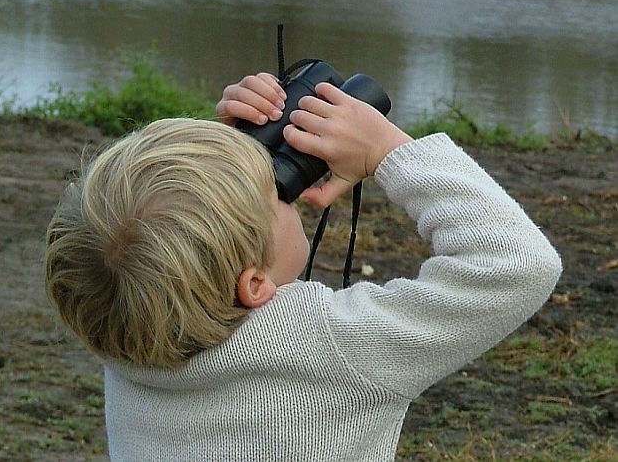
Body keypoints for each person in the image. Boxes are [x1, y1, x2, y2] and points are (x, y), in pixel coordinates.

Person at [45, 72, 562, 461]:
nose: (286, 192)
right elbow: (518, 262)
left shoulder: (124, 319)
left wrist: (212, 155)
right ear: (252, 283)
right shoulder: (330, 347)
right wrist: (388, 150)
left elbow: (163, 237)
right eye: (278, 195)